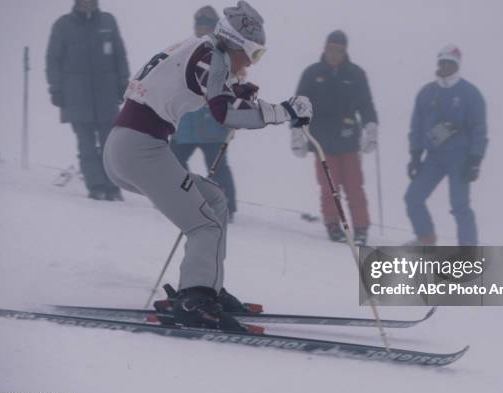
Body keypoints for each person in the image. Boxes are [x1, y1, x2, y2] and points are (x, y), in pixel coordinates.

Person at [102, 1, 312, 331]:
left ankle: (207, 287)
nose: (252, 63)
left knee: (213, 199)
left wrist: (237, 91)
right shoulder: (211, 55)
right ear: (237, 44)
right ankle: (195, 300)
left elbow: (208, 92)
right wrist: (283, 111)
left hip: (127, 145)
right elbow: (225, 113)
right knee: (204, 224)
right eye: (255, 55)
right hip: (141, 148)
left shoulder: (200, 47)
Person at [291, 30, 378, 246]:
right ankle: (332, 224)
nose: (334, 54)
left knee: (354, 186)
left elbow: (366, 104)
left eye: (339, 50)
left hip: (348, 140)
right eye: (331, 49)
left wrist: (371, 127)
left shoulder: (356, 74)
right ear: (325, 48)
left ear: (345, 51)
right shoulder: (312, 73)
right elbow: (299, 105)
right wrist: (296, 134)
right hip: (322, 142)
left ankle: (360, 228)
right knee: (330, 186)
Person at [46, 0, 130, 200]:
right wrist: (56, 88)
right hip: (76, 96)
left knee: (110, 145)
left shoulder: (108, 22)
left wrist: (123, 84)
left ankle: (112, 186)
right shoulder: (63, 25)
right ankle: (96, 185)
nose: (88, 3)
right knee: (86, 144)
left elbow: (120, 56)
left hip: (106, 96)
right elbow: (53, 59)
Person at [404, 45, 488, 246]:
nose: (445, 66)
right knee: (413, 198)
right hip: (433, 157)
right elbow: (416, 126)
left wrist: (475, 159)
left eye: (450, 63)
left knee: (460, 206)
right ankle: (425, 239)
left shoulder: (470, 93)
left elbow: (479, 128)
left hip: (460, 157)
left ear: (457, 65)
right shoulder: (427, 92)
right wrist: (415, 156)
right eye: (442, 62)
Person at [170, 6, 238, 220]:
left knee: (217, 167)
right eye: (199, 27)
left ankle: (227, 206)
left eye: (207, 27)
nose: (202, 31)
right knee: (172, 162)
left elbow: (235, 87)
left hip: (213, 126)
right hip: (186, 124)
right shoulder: (185, 49)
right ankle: (179, 198)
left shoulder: (225, 57)